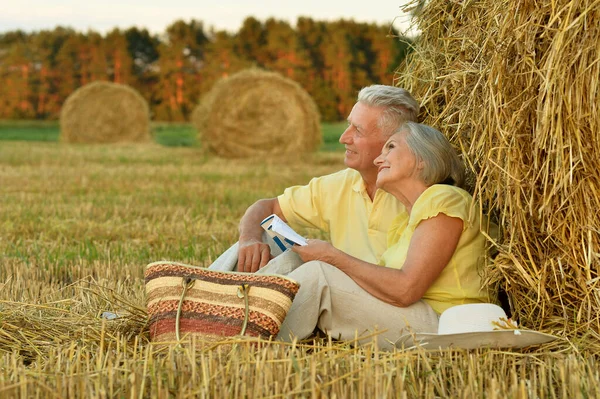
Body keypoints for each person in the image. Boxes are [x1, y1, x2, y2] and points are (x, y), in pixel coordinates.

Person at [277, 122, 496, 350]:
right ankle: (240, 311)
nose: (377, 160)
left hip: (446, 324)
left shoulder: (445, 198)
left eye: (390, 147)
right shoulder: (403, 223)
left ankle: (254, 340)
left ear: (422, 158)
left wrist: (332, 257)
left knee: (318, 274)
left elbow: (405, 290)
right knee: (292, 260)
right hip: (411, 315)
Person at [208, 85, 420, 273]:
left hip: (374, 303)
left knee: (303, 267)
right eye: (349, 125)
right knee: (261, 241)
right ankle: (194, 298)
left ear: (391, 142)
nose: (343, 138)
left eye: (358, 130)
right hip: (331, 291)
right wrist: (249, 240)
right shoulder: (340, 185)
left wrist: (330, 259)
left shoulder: (418, 194)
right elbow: (267, 207)